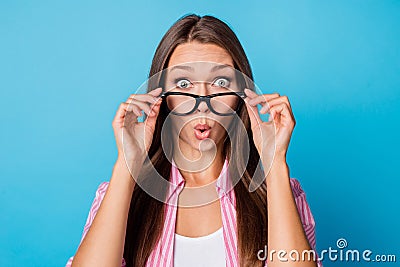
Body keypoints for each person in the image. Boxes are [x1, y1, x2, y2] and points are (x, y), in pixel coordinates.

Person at [66, 14, 322, 267]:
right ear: (163, 97)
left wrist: (274, 162)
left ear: (241, 96)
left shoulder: (279, 193)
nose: (203, 103)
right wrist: (127, 164)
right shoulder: (121, 194)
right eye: (184, 83)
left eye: (220, 82)